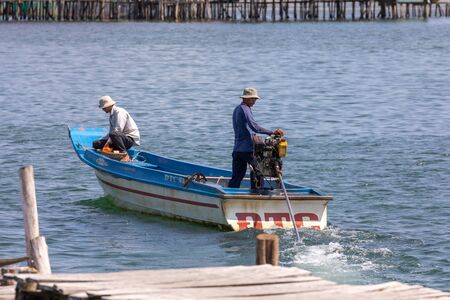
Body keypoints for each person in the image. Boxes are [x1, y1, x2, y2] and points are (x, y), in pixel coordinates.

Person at [228, 87, 284, 190]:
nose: (254, 101)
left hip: (237, 149)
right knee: (259, 172)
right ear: (245, 99)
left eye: (255, 99)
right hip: (248, 149)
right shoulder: (245, 109)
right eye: (252, 99)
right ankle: (257, 194)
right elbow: (254, 127)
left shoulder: (237, 109)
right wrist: (272, 132)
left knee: (236, 177)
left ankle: (230, 193)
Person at [93, 95, 140, 162]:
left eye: (104, 108)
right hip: (117, 139)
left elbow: (118, 130)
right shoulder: (112, 115)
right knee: (96, 144)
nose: (103, 110)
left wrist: (107, 143)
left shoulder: (119, 112)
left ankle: (124, 154)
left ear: (109, 106)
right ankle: (115, 151)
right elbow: (111, 132)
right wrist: (101, 140)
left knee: (113, 134)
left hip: (128, 140)